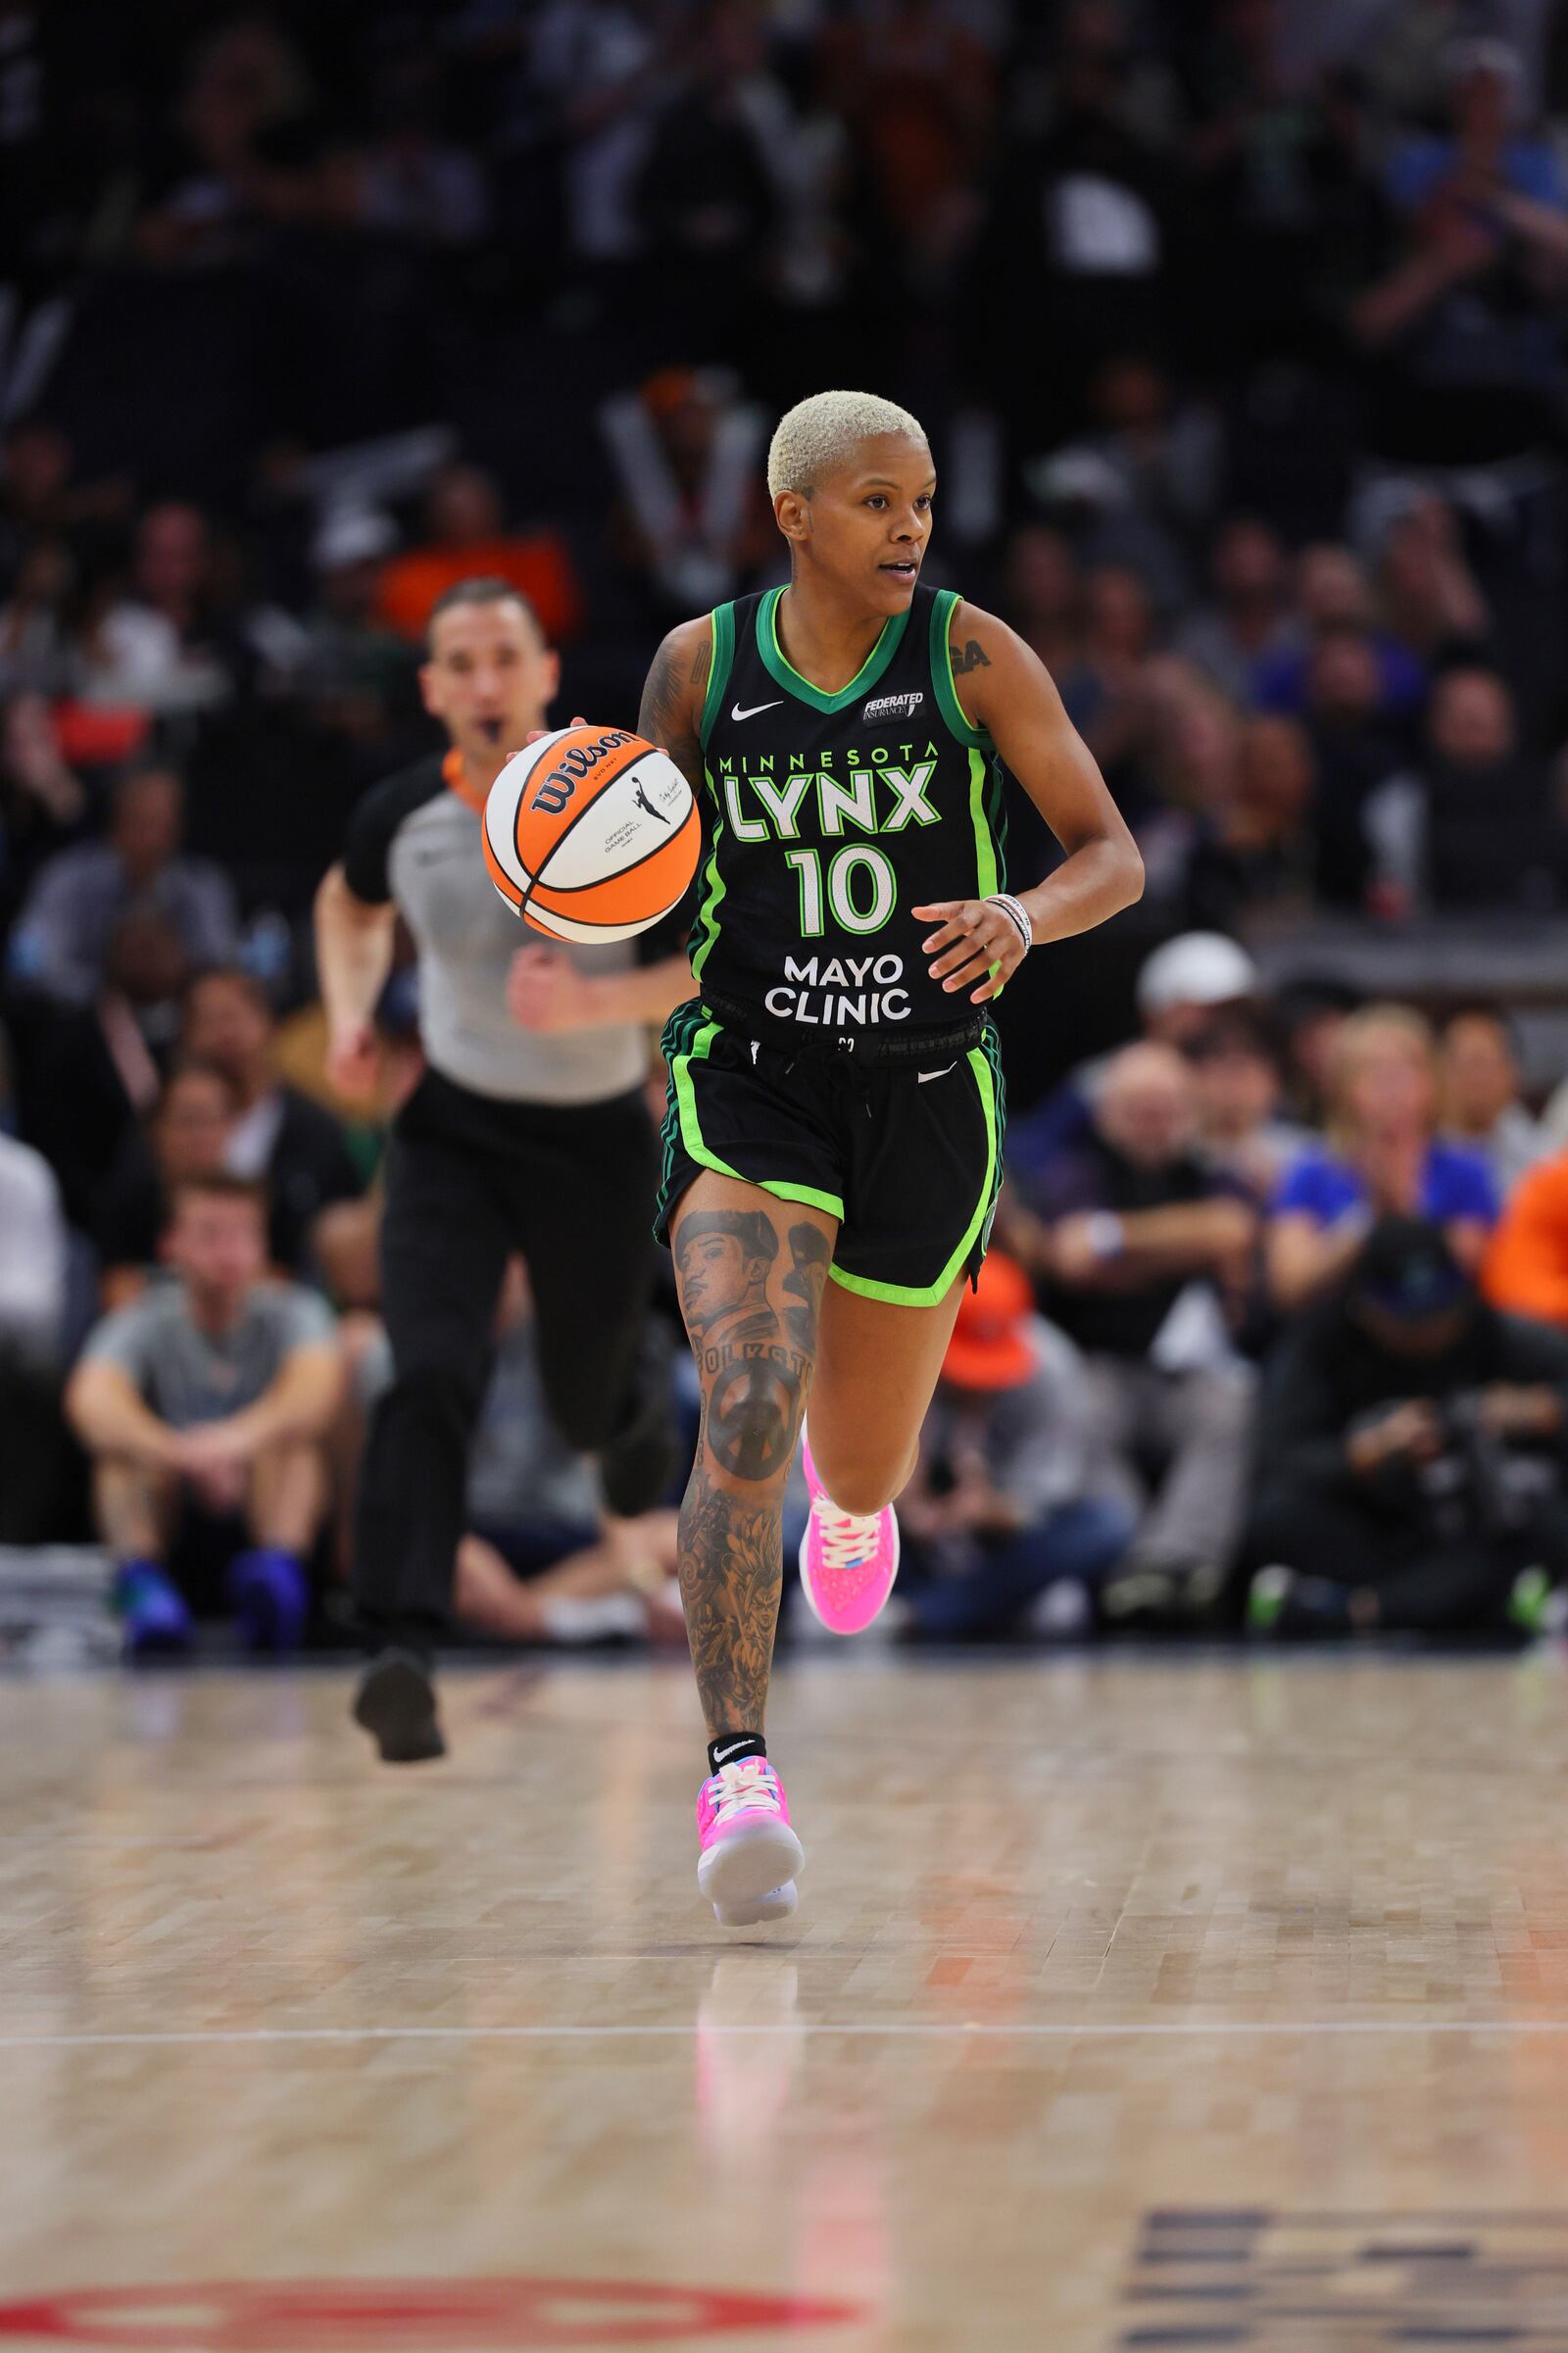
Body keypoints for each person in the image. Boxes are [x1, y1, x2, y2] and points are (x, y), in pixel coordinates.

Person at [640, 388, 1142, 1926]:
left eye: (922, 498)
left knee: (855, 1457)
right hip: (754, 1075)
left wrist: (1021, 918)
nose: (912, 524)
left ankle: (855, 1503)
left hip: (930, 1084)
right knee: (747, 1391)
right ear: (793, 515)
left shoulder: (975, 654)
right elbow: (641, 871)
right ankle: (739, 1767)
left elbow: (1109, 856)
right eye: (877, 500)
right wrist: (566, 894)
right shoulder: (698, 668)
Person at [316, 576, 691, 1764]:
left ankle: (631, 1427)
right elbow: (346, 903)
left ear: (543, 677)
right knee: (423, 1367)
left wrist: (596, 996)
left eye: (503, 658)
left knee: (591, 1398)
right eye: (459, 662)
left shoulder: (634, 800)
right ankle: (399, 1650)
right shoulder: (400, 816)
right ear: (431, 690)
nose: (483, 681)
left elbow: (709, 964)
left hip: (592, 1134)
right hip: (453, 1131)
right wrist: (347, 1015)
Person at [1004, 1041, 1257, 1618]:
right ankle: (1128, 1562)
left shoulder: (1210, 1172)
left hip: (1190, 1372)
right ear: (1107, 1114)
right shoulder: (1077, 1171)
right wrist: (1186, 1246)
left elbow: (1232, 1229)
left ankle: (1169, 1566)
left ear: (1191, 1113)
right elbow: (1071, 1256)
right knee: (1080, 1410)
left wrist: (1117, 1244)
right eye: (1139, 1108)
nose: (1153, 1122)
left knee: (1231, 1411)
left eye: (1167, 1108)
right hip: (1101, 1363)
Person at [1249, 1216, 1568, 1639]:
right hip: (1381, 1528)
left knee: (1543, 1528)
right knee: (1277, 1519)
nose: (1430, 1333)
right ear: (1364, 1307)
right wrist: (1363, 1455)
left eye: (1441, 1314)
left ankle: (1359, 1612)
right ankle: (1445, 1607)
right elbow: (1281, 1457)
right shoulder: (1321, 1343)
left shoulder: (1488, 1330)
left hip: (1479, 1526)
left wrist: (1541, 1410)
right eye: (1410, 1322)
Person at [65, 1175, 341, 1658]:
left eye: (243, 1233)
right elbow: (90, 1398)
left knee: (297, 1448)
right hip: (176, 1506)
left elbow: (317, 1391)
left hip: (261, 1503)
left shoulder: (295, 1310)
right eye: (210, 1234)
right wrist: (175, 1452)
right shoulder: (145, 1317)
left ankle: (277, 1583)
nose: (228, 1251)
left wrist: (234, 1442)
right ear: (170, 1244)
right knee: (119, 1459)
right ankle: (144, 1592)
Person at [895, 1251, 1133, 1642]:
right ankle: (953, 1607)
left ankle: (925, 1613)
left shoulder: (1053, 1369)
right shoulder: (902, 1357)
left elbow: (1050, 1496)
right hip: (910, 1540)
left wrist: (990, 1511)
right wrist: (896, 1493)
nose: (976, 1385)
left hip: (1008, 1541)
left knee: (1107, 1524)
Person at [1267, 1004, 1499, 1312]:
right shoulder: (1311, 1171)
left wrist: (1406, 1209)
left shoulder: (1466, 1168)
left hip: (1446, 1329)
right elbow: (1290, 1288)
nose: (1392, 1086)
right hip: (1342, 1330)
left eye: (1406, 1069)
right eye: (1374, 1071)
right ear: (1343, 1087)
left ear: (1433, 1082)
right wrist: (1368, 1217)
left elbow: (1482, 1271)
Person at [7, 761, 236, 1006]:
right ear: (115, 823)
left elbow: (223, 967)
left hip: (180, 1017)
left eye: (161, 824)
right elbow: (30, 964)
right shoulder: (68, 878)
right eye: (139, 822)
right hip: (82, 1018)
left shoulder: (201, 885)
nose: (150, 838)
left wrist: (176, 978)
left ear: (178, 829)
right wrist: (105, 988)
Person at [181, 966, 362, 1274]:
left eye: (234, 1017)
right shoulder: (172, 1126)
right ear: (188, 1036)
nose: (226, 1034)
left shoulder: (318, 1130)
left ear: (269, 1024)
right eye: (210, 1020)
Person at [1439, 1004, 1545, 1200]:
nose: (1475, 1077)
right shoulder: (1413, 1158)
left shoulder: (1543, 1157)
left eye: (1484, 1063)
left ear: (1513, 1072)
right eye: (1463, 1064)